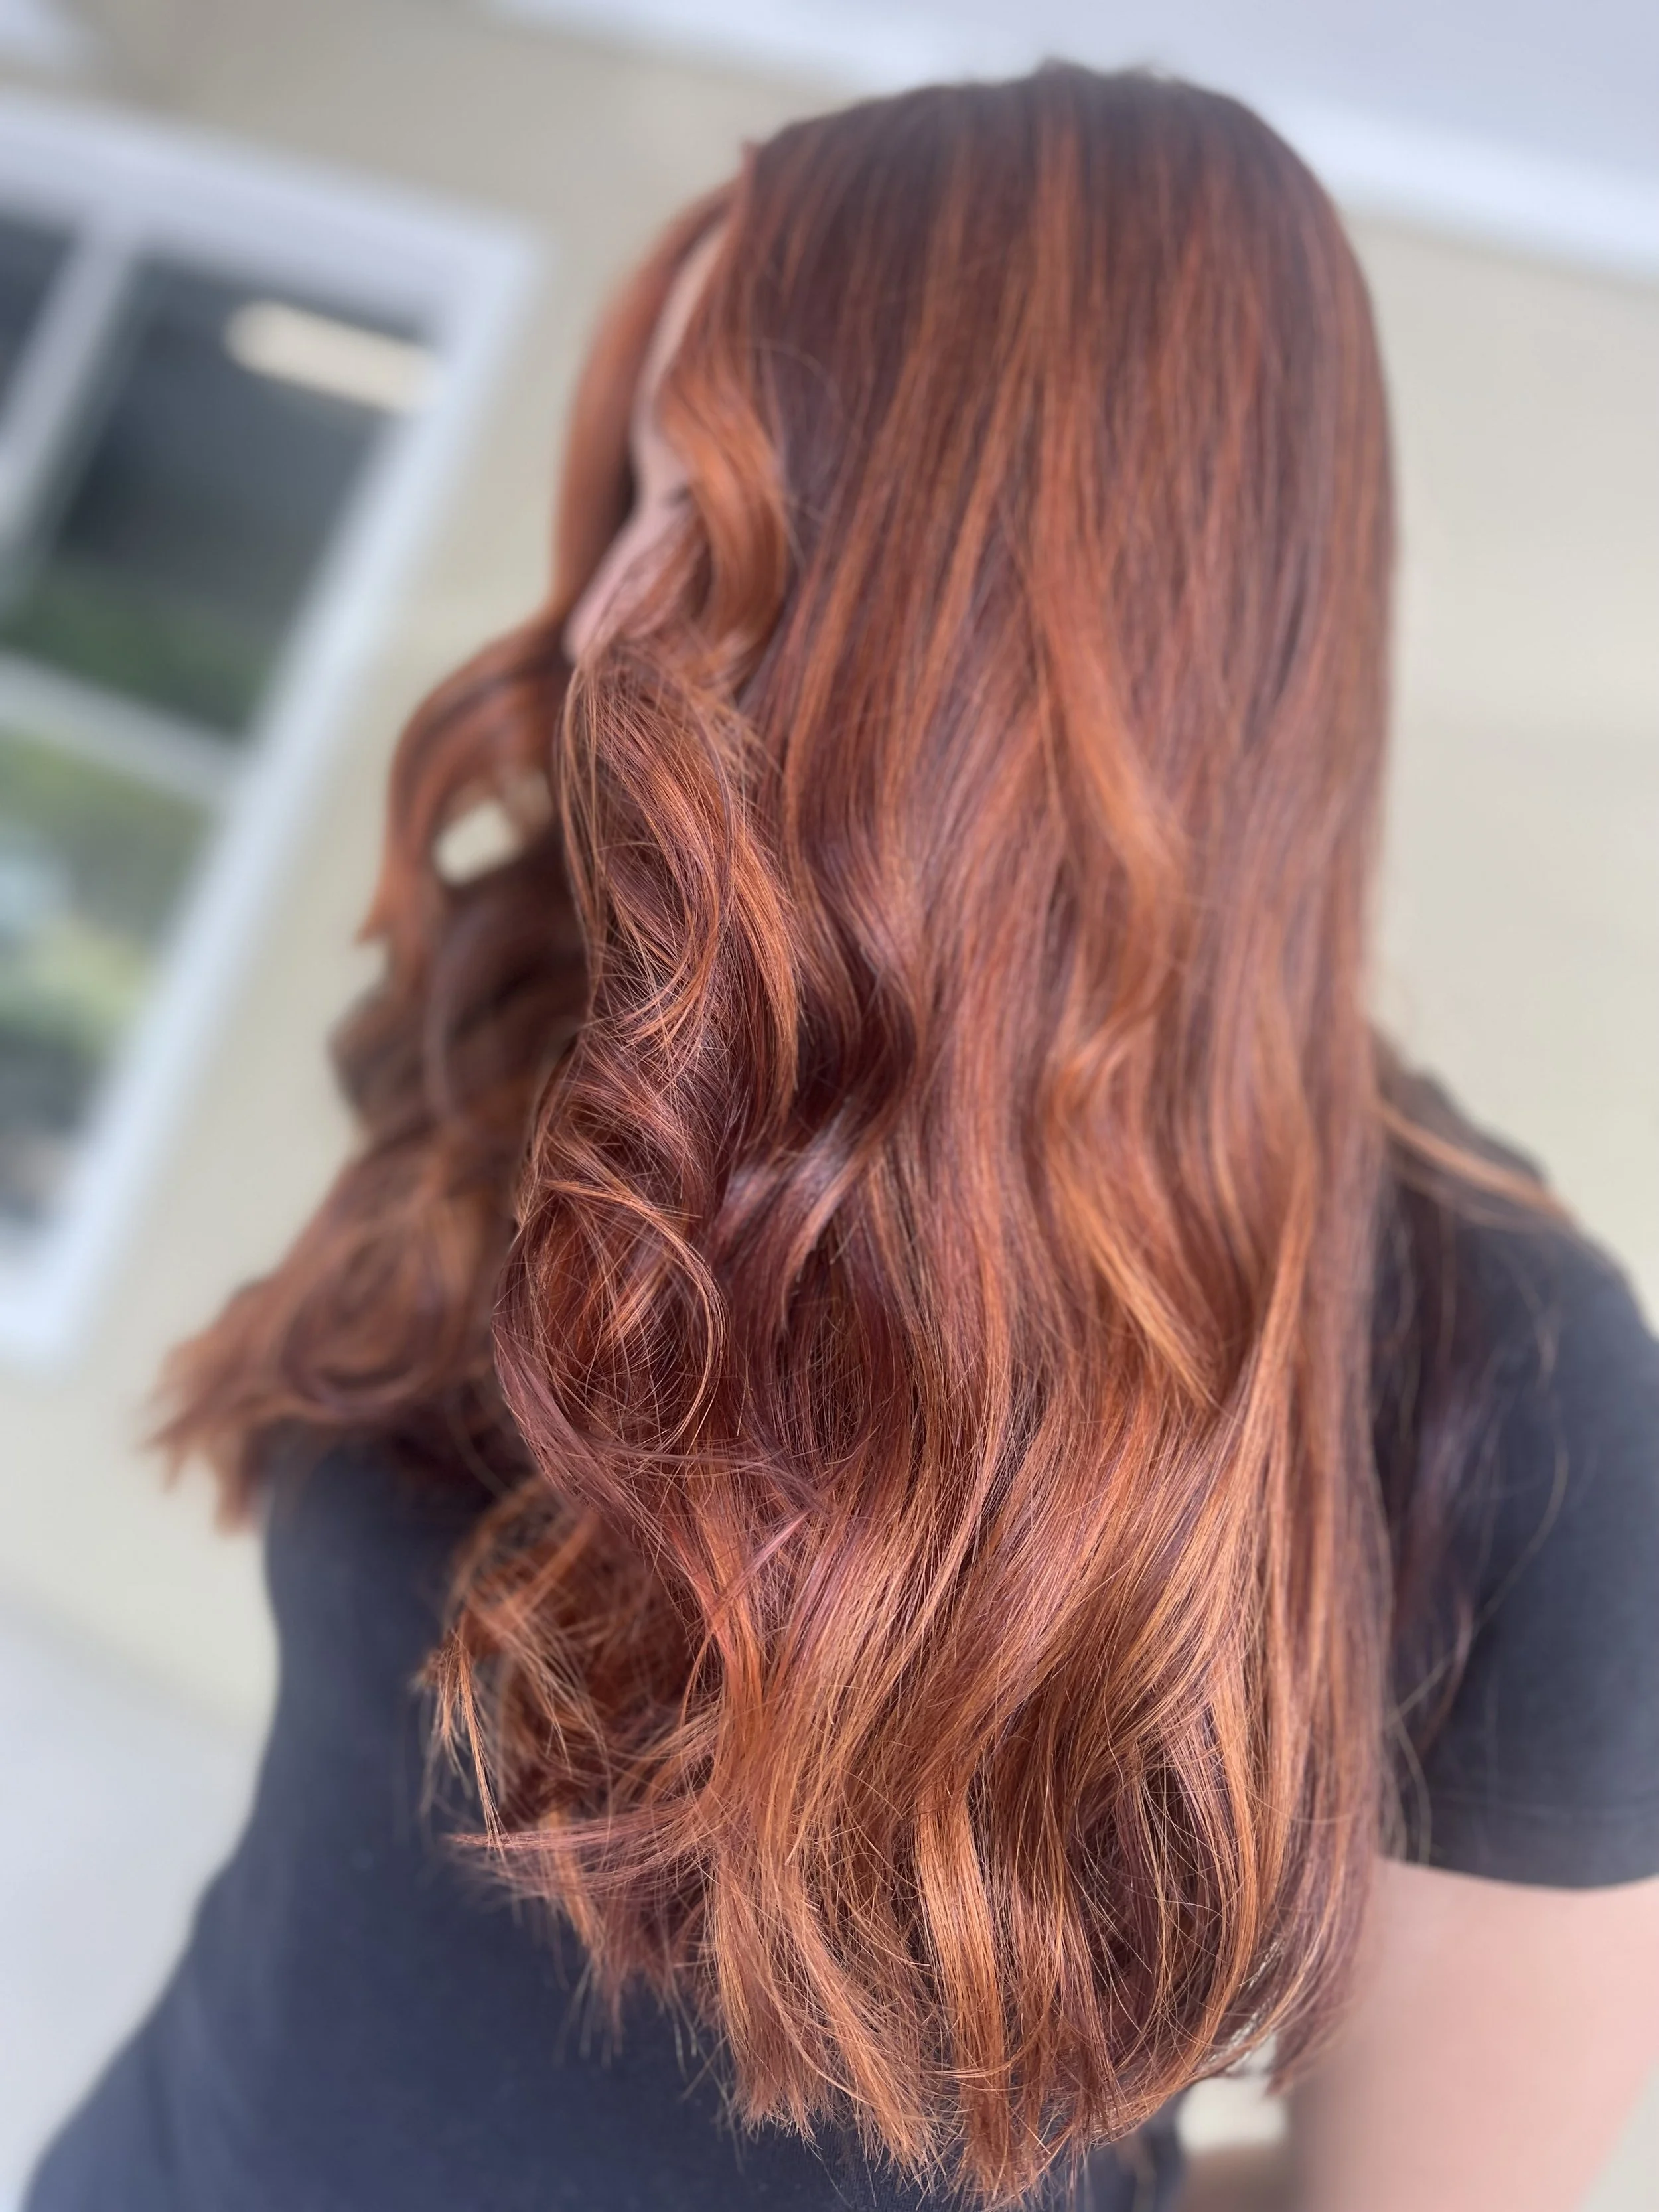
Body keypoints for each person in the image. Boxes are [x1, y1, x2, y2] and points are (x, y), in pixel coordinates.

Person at [27, 64, 1659, 2212]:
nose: (608, 612)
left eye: (708, 517)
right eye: (626, 500)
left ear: (1027, 599)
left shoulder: (1496, 1378)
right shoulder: (584, 993)